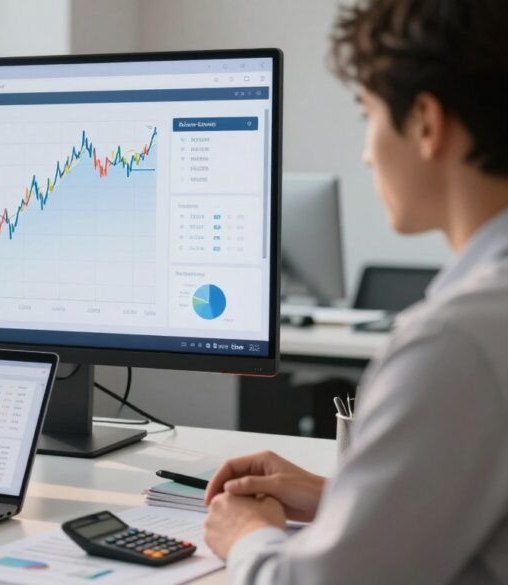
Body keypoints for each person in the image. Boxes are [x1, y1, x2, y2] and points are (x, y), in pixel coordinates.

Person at [201, 0, 508, 583]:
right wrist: (339, 493)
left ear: (425, 122)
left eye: (366, 114)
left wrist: (246, 539)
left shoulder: (457, 341)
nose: (366, 152)